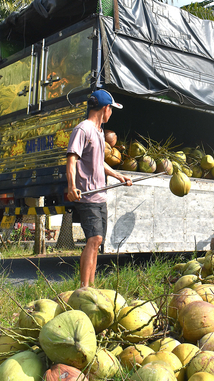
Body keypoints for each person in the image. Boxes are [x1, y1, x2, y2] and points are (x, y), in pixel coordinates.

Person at [66, 89, 132, 287]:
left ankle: (91, 286)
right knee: (94, 238)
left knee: (97, 240)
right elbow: (72, 159)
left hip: (100, 195)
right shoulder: (83, 129)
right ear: (105, 108)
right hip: (87, 196)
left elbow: (99, 161)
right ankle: (84, 287)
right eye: (111, 109)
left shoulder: (99, 132)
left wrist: (118, 175)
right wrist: (71, 186)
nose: (111, 113)